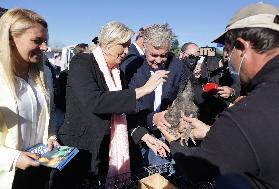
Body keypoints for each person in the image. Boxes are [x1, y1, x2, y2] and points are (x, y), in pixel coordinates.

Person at [157, 3, 279, 189]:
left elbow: (199, 168)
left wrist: (172, 138)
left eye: (228, 51)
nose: (228, 58)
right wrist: (210, 131)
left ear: (241, 47)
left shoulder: (250, 111)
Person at [52, 21, 169, 188]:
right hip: (83, 149)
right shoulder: (82, 62)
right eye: (123, 45)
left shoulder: (117, 73)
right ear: (107, 45)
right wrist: (144, 89)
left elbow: (122, 112)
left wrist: (144, 135)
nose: (127, 51)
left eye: (128, 46)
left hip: (108, 151)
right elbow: (95, 101)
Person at [0, 8, 59, 189]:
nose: (45, 47)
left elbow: (50, 114)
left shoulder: (45, 74)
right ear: (11, 38)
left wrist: (51, 136)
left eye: (45, 41)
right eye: (37, 41)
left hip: (40, 168)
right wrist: (12, 157)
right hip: (7, 175)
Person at [123, 24, 188, 167]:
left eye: (163, 55)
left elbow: (183, 97)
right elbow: (127, 105)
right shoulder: (132, 68)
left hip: (167, 133)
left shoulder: (178, 67)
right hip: (137, 132)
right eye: (153, 55)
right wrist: (152, 118)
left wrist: (175, 117)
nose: (158, 61)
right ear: (144, 46)